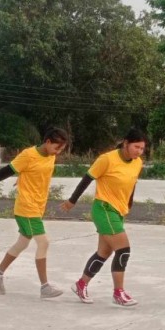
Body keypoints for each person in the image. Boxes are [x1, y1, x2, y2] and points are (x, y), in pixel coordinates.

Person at [0, 127, 69, 299]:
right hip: (26, 207)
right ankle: (45, 287)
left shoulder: (50, 156)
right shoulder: (28, 155)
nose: (58, 152)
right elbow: (7, 171)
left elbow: (35, 173)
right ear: (47, 142)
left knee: (22, 243)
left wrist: (23, 178)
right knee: (43, 243)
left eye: (61, 149)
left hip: (38, 207)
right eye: (57, 148)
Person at [60, 127, 146, 307]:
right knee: (123, 250)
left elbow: (132, 185)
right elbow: (87, 178)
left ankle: (81, 284)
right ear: (126, 144)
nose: (139, 151)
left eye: (142, 148)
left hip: (118, 211)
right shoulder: (107, 159)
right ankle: (118, 293)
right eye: (136, 147)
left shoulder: (137, 163)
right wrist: (72, 200)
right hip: (104, 209)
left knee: (104, 252)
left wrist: (128, 204)